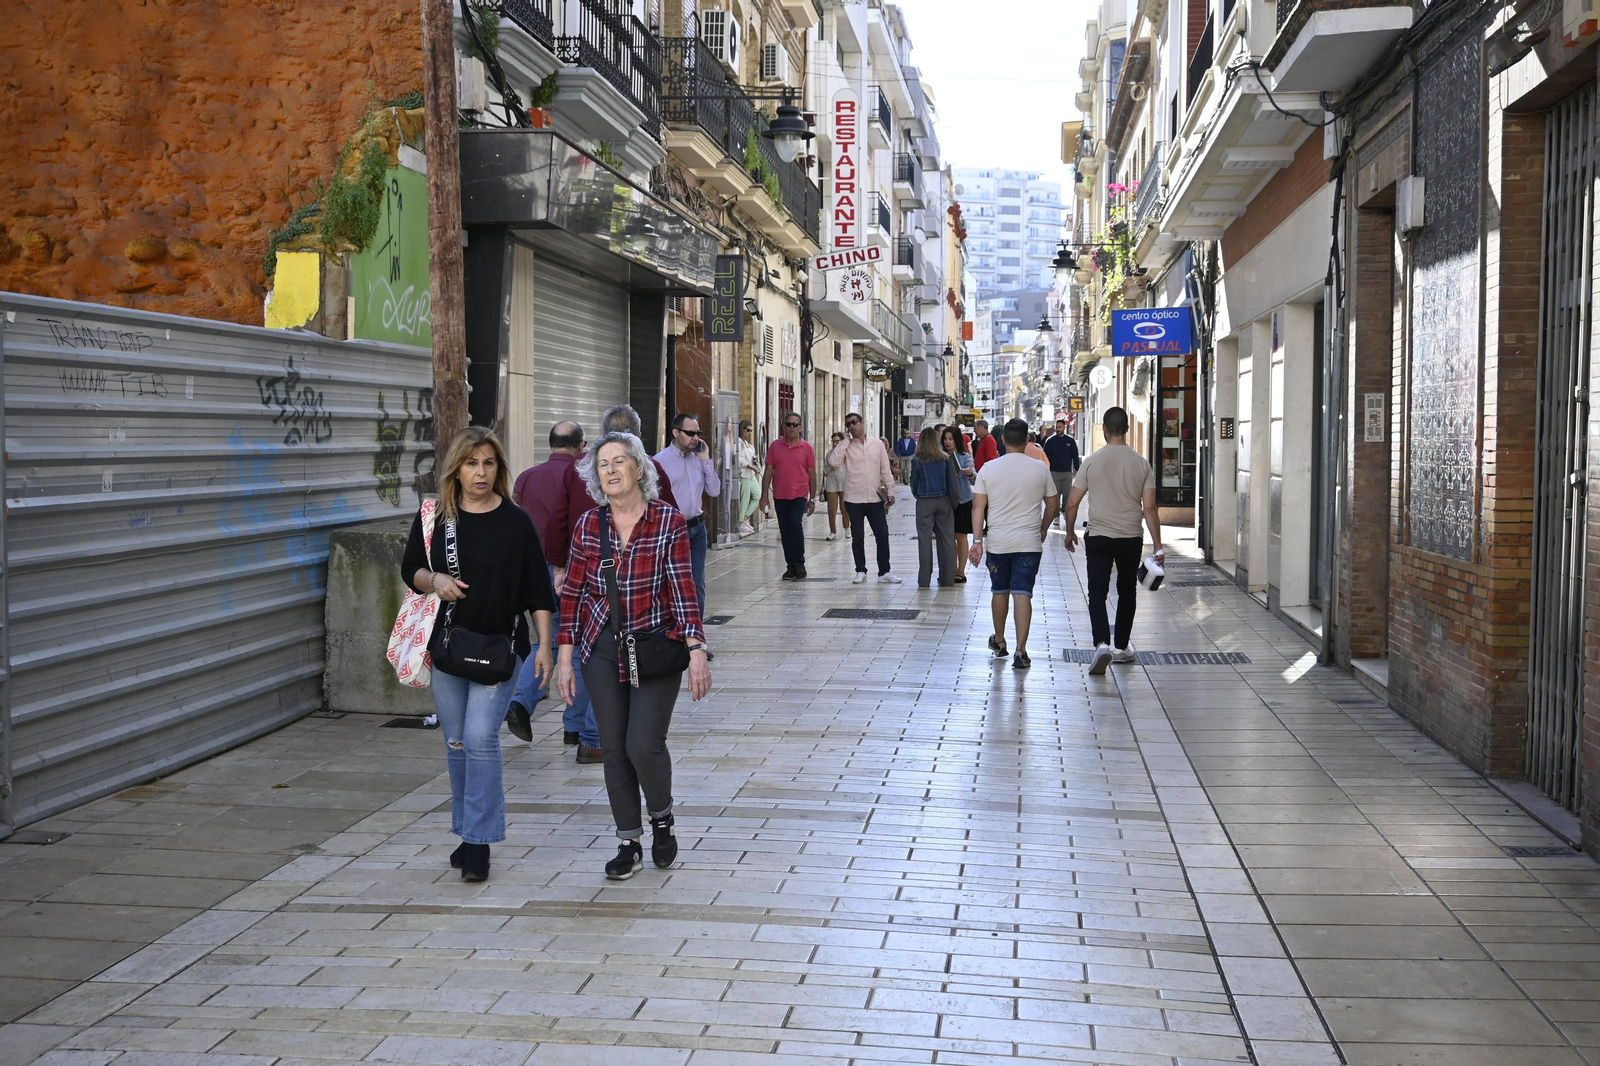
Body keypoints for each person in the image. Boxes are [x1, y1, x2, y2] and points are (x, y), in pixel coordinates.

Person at [401, 426, 555, 883]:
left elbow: (538, 590)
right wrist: (436, 582)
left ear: (499, 469)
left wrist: (545, 646)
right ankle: (468, 835)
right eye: (472, 463)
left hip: (501, 650)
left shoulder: (516, 521)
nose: (480, 472)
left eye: (488, 463)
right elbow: (411, 568)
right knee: (457, 743)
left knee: (481, 738)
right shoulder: (436, 518)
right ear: (457, 469)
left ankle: (481, 842)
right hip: (449, 648)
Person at [557, 431, 712, 880]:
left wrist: (696, 650)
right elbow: (573, 596)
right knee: (614, 748)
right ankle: (629, 841)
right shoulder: (589, 525)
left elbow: (684, 589)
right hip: (601, 649)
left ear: (639, 469)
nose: (610, 470)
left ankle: (661, 819)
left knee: (642, 744)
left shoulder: (667, 521)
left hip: (654, 645)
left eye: (618, 461)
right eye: (602, 463)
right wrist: (565, 658)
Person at [508, 421, 601, 762]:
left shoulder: (526, 478)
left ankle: (522, 701)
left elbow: (515, 522)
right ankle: (574, 726)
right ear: (582, 446)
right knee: (579, 646)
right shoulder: (584, 476)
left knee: (546, 640)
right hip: (573, 569)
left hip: (535, 571)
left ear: (549, 443)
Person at [1064, 406, 1163, 675]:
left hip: (1098, 536)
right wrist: (1158, 546)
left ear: (1105, 430)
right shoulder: (1142, 463)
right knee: (1127, 591)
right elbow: (1150, 508)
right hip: (1130, 536)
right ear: (1127, 430)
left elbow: (1072, 502)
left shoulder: (1092, 461)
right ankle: (1121, 648)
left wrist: (1070, 531)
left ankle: (1101, 644)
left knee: (1097, 591)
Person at [968, 419, 1059, 670]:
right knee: (1023, 593)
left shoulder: (988, 468)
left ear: (1004, 440)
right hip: (1029, 542)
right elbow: (1053, 504)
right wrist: (1043, 527)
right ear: (1027, 440)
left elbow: (978, 506)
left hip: (998, 543)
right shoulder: (1040, 469)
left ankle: (999, 640)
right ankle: (1021, 650)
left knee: (999, 591)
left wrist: (977, 541)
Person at [654, 413, 721, 620]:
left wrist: (706, 460)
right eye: (690, 433)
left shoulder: (699, 459)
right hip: (672, 531)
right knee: (672, 585)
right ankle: (675, 637)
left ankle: (696, 640)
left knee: (696, 584)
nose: (696, 438)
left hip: (697, 530)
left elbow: (714, 491)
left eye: (698, 433)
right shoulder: (659, 461)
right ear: (676, 432)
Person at [828, 414, 901, 584]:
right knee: (858, 536)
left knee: (882, 535)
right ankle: (860, 570)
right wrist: (844, 442)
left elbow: (885, 469)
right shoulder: (846, 446)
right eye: (848, 424)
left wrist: (891, 491)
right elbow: (833, 462)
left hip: (875, 498)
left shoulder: (877, 444)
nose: (851, 426)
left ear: (862, 422)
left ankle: (885, 571)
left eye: (854, 422)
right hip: (854, 499)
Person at [761, 411, 818, 580]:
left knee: (795, 525)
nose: (791, 427)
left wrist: (812, 498)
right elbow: (768, 471)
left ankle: (799, 563)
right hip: (780, 495)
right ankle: (790, 566)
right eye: (788, 424)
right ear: (784, 427)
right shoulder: (775, 446)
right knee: (785, 531)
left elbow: (812, 474)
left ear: (800, 427)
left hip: (799, 494)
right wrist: (764, 496)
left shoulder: (807, 448)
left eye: (795, 424)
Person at [601, 404, 678, 511]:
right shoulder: (651, 467)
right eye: (604, 465)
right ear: (638, 437)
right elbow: (671, 514)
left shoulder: (580, 466)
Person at [909, 426, 957, 588]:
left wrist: (918, 494)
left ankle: (924, 580)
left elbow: (914, 484)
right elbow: (952, 480)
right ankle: (948, 578)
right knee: (947, 540)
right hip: (944, 501)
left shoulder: (917, 460)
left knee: (924, 540)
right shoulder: (945, 458)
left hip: (925, 501)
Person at [942, 426, 975, 583]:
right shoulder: (940, 456)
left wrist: (968, 472)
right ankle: (950, 569)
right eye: (945, 439)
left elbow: (972, 470)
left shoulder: (963, 456)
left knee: (961, 536)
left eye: (951, 438)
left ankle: (960, 571)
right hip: (946, 502)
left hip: (963, 500)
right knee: (948, 537)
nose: (948, 442)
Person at [1042, 417, 1081, 527]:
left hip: (1067, 472)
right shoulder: (1050, 441)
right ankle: (1056, 516)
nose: (1058, 429)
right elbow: (1045, 456)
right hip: (1054, 472)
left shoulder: (1070, 441)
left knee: (1067, 494)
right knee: (1056, 495)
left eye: (1060, 427)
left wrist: (1077, 469)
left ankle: (1064, 510)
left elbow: (1075, 455)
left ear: (1064, 427)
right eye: (1057, 427)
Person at [821, 430, 851, 540]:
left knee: (845, 508)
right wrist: (830, 467)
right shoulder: (829, 454)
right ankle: (832, 531)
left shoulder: (846, 453)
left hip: (844, 483)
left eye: (837, 441)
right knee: (831, 509)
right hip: (831, 484)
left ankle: (847, 528)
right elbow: (824, 471)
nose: (835, 444)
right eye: (833, 441)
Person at [735, 419, 761, 536]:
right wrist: (750, 466)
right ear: (742, 429)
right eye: (748, 430)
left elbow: (753, 458)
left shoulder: (748, 444)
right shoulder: (739, 442)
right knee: (744, 499)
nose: (750, 433)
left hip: (751, 474)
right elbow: (739, 459)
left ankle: (745, 518)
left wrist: (756, 465)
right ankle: (740, 523)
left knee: (757, 495)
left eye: (751, 431)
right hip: (744, 473)